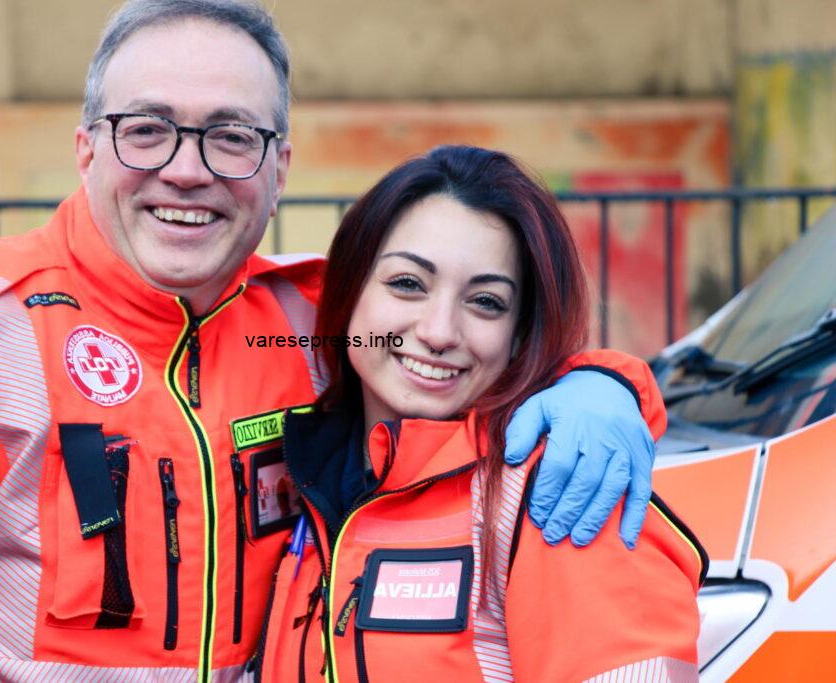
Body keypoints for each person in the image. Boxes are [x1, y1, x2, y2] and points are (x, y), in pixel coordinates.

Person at [0, 1, 660, 680]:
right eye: (146, 128)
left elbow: (472, 341)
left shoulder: (316, 320)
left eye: (230, 136)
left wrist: (601, 386)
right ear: (85, 150)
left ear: (279, 166)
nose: (187, 168)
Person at [256, 147, 704, 682]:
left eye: (486, 302)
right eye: (407, 285)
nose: (440, 331)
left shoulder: (562, 484)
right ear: (348, 292)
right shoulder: (314, 468)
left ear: (520, 334)